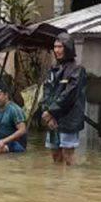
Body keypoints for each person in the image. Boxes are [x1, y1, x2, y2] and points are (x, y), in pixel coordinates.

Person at [41, 33, 87, 165]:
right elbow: (46, 91)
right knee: (55, 154)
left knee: (68, 155)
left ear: (68, 48)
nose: (57, 50)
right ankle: (59, 183)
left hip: (69, 118)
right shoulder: (53, 69)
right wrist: (46, 112)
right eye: (55, 47)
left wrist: (51, 112)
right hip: (52, 117)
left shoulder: (77, 70)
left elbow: (69, 95)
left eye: (60, 46)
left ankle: (71, 182)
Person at [0, 84, 28, 154]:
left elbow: (22, 130)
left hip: (15, 142)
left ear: (6, 95)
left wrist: (3, 141)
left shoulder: (14, 109)